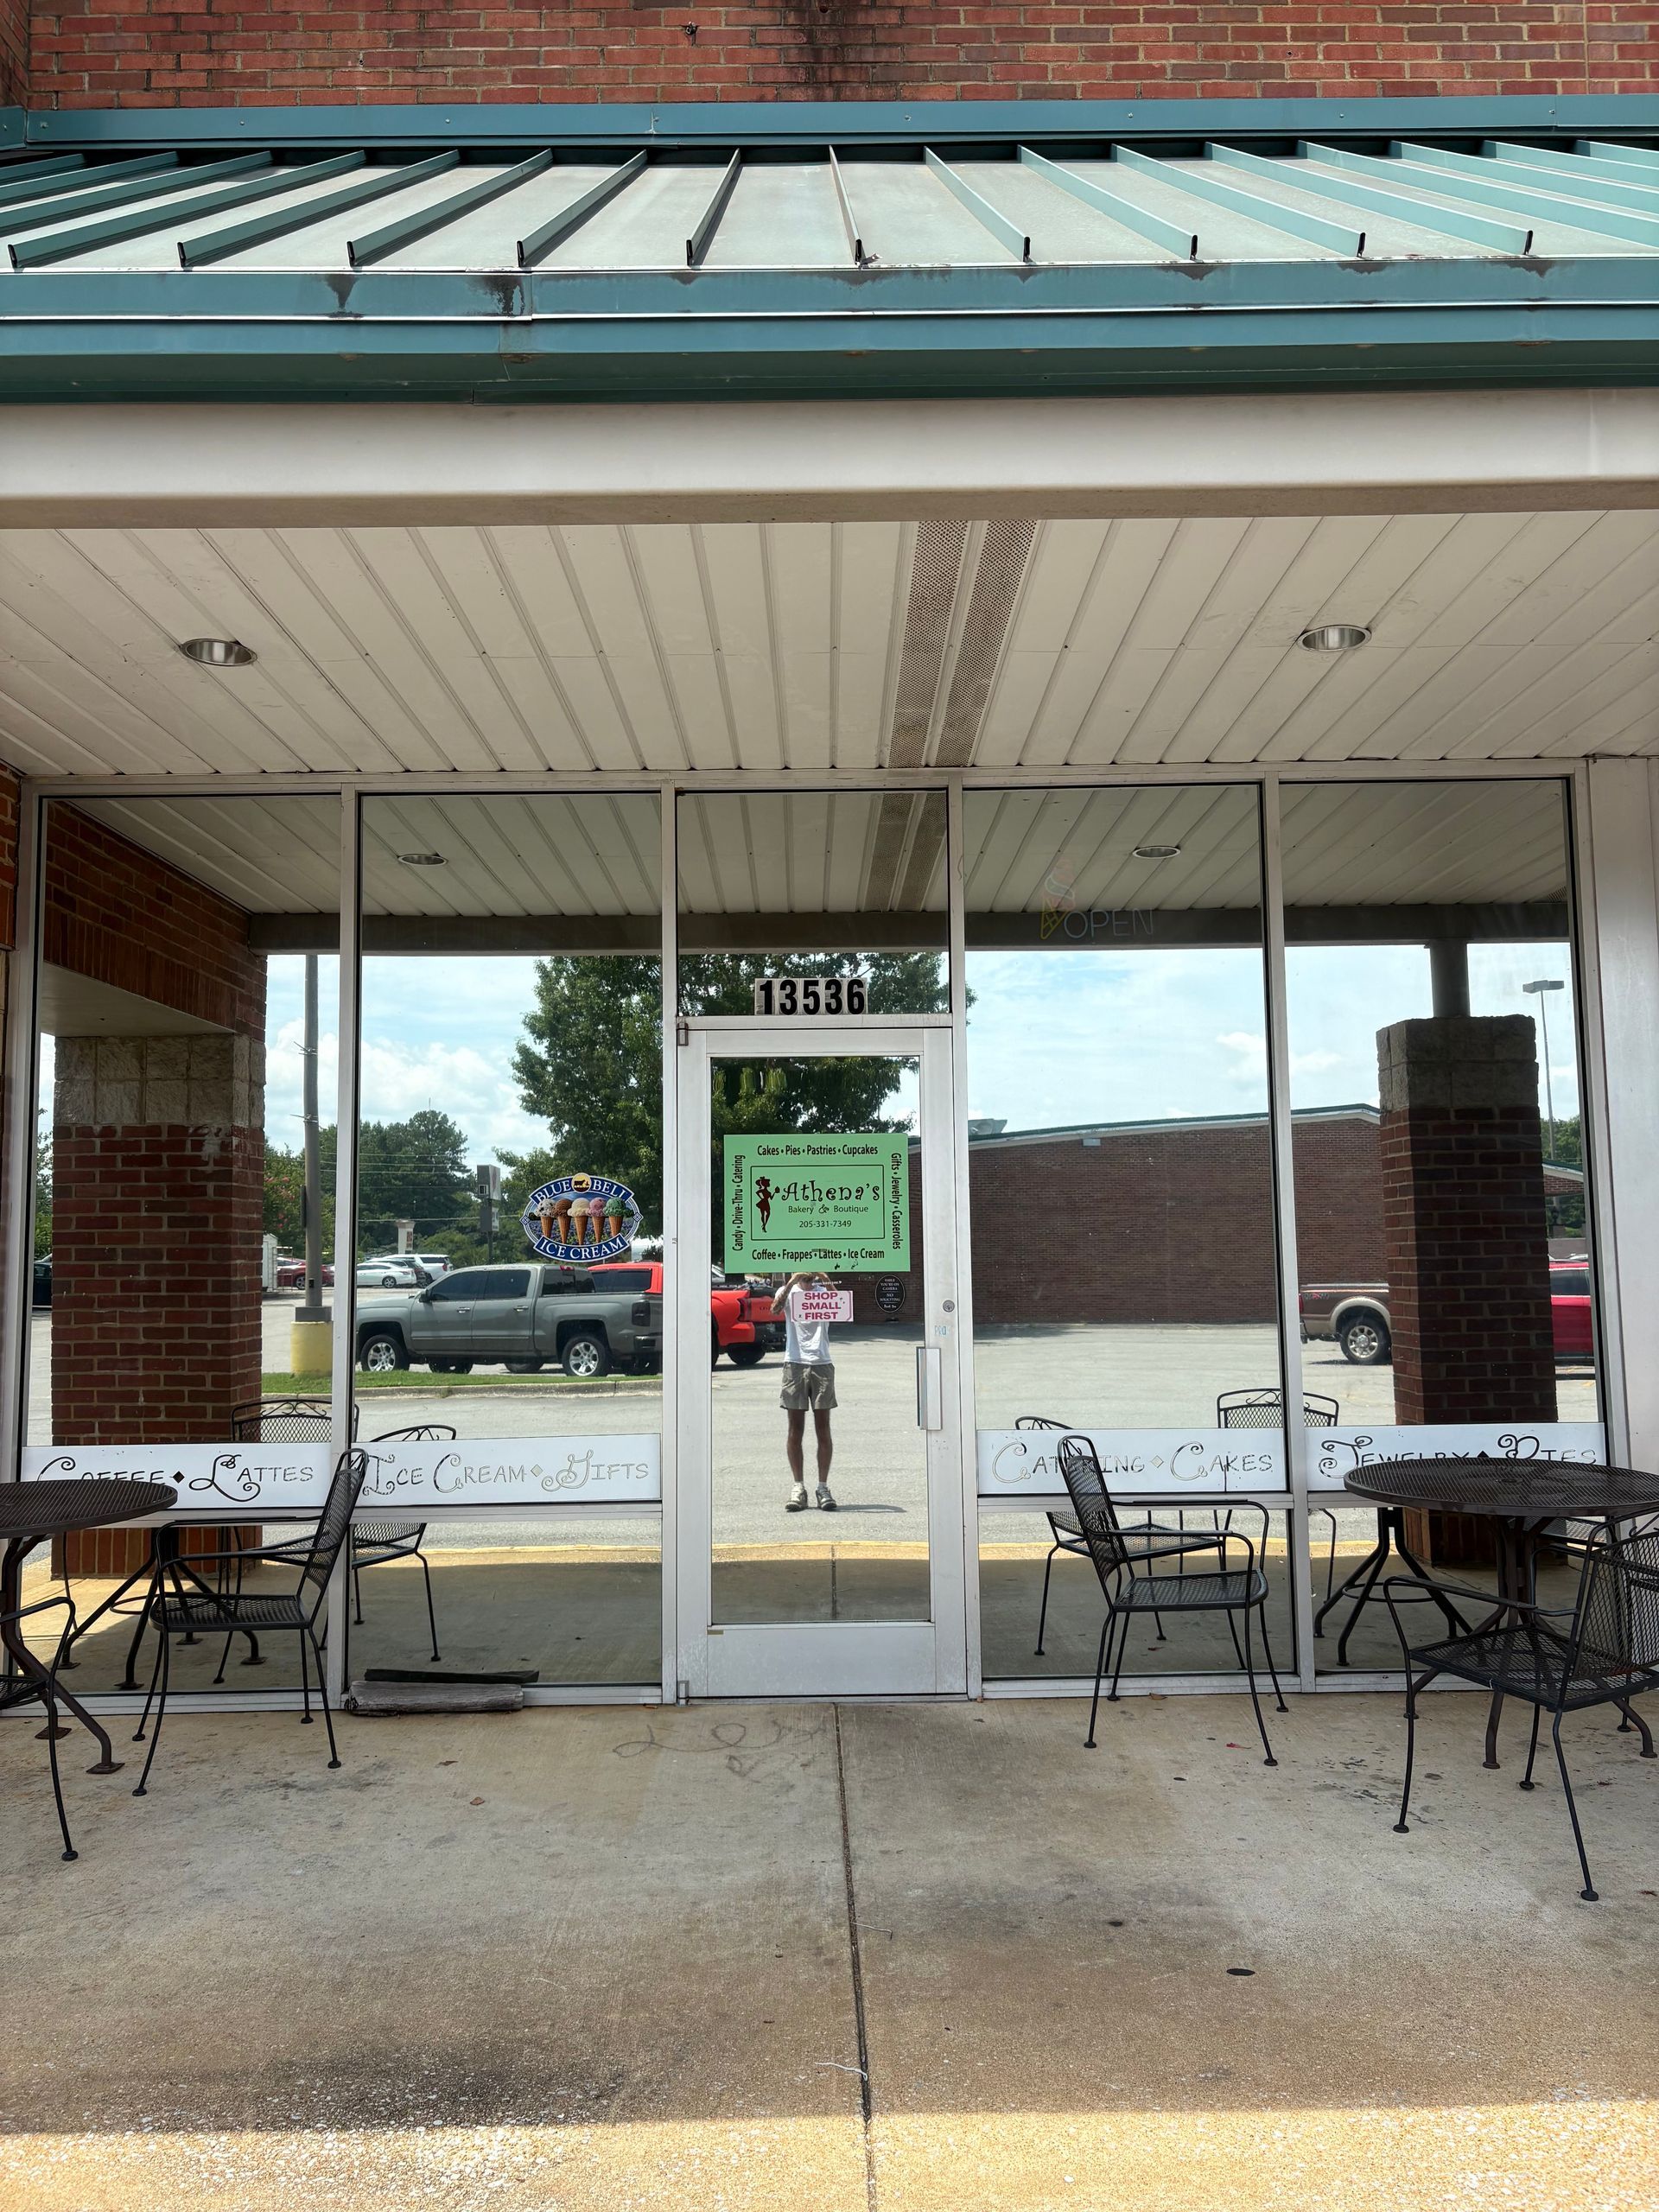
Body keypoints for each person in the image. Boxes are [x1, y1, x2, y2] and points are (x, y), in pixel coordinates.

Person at [772, 1270, 836, 1512]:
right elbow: (774, 1310)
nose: (807, 1277)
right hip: (795, 1363)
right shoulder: (787, 1292)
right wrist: (791, 1282)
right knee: (795, 1428)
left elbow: (841, 1307)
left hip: (822, 1362)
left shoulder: (823, 1292)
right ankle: (798, 1487)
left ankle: (823, 1487)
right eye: (803, 1273)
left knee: (823, 1428)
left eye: (810, 1274)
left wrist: (825, 1278)